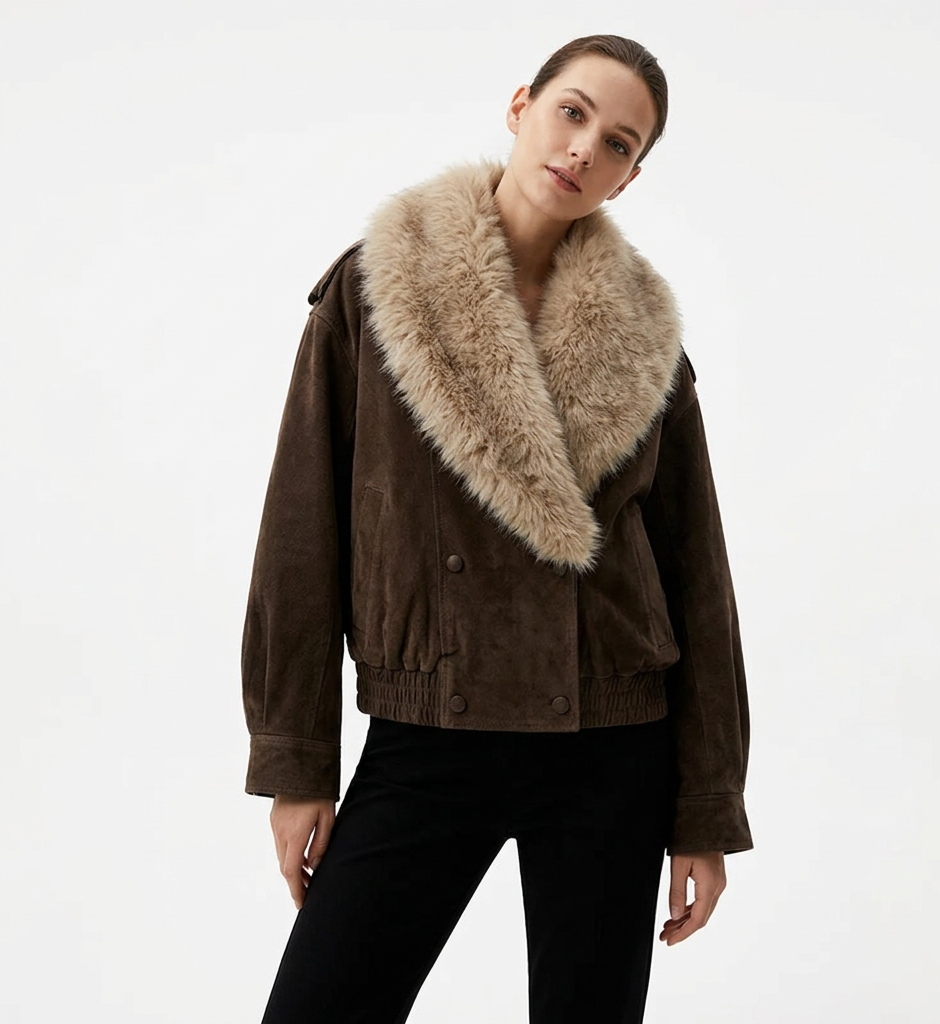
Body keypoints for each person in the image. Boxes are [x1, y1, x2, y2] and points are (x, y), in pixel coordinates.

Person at [241, 33, 753, 1024]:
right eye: (572, 112)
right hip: (429, 729)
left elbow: (698, 576)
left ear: (629, 177)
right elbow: (300, 532)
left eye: (618, 143)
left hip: (612, 742)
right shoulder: (375, 289)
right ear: (521, 106)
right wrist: (295, 760)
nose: (584, 148)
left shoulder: (647, 336)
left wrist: (705, 809)